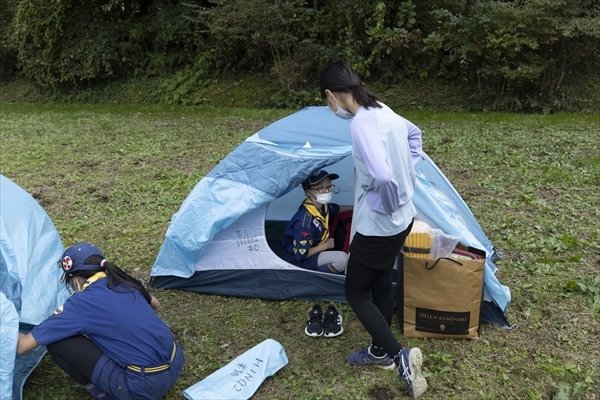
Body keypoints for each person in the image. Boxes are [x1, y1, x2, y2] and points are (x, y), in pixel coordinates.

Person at [319, 60, 427, 398]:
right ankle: (379, 352)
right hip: (401, 220)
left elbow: (381, 177)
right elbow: (415, 135)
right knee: (381, 282)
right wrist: (406, 175)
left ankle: (400, 357)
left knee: (355, 292)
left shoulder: (361, 124)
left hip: (380, 224)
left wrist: (387, 199)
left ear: (331, 95)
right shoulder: (383, 109)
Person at [17, 242, 184, 400]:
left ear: (74, 279)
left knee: (57, 343)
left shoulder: (80, 303)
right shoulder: (122, 280)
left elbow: (22, 346)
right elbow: (156, 304)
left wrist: (4, 317)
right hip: (175, 363)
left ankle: (105, 395)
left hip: (143, 387)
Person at [282, 169, 352, 275]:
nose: (326, 191)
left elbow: (337, 208)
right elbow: (301, 254)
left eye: (328, 186)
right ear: (308, 192)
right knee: (342, 259)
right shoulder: (304, 221)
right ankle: (310, 278)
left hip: (315, 252)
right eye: (320, 188)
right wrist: (326, 246)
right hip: (298, 262)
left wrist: (357, 207)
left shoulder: (322, 207)